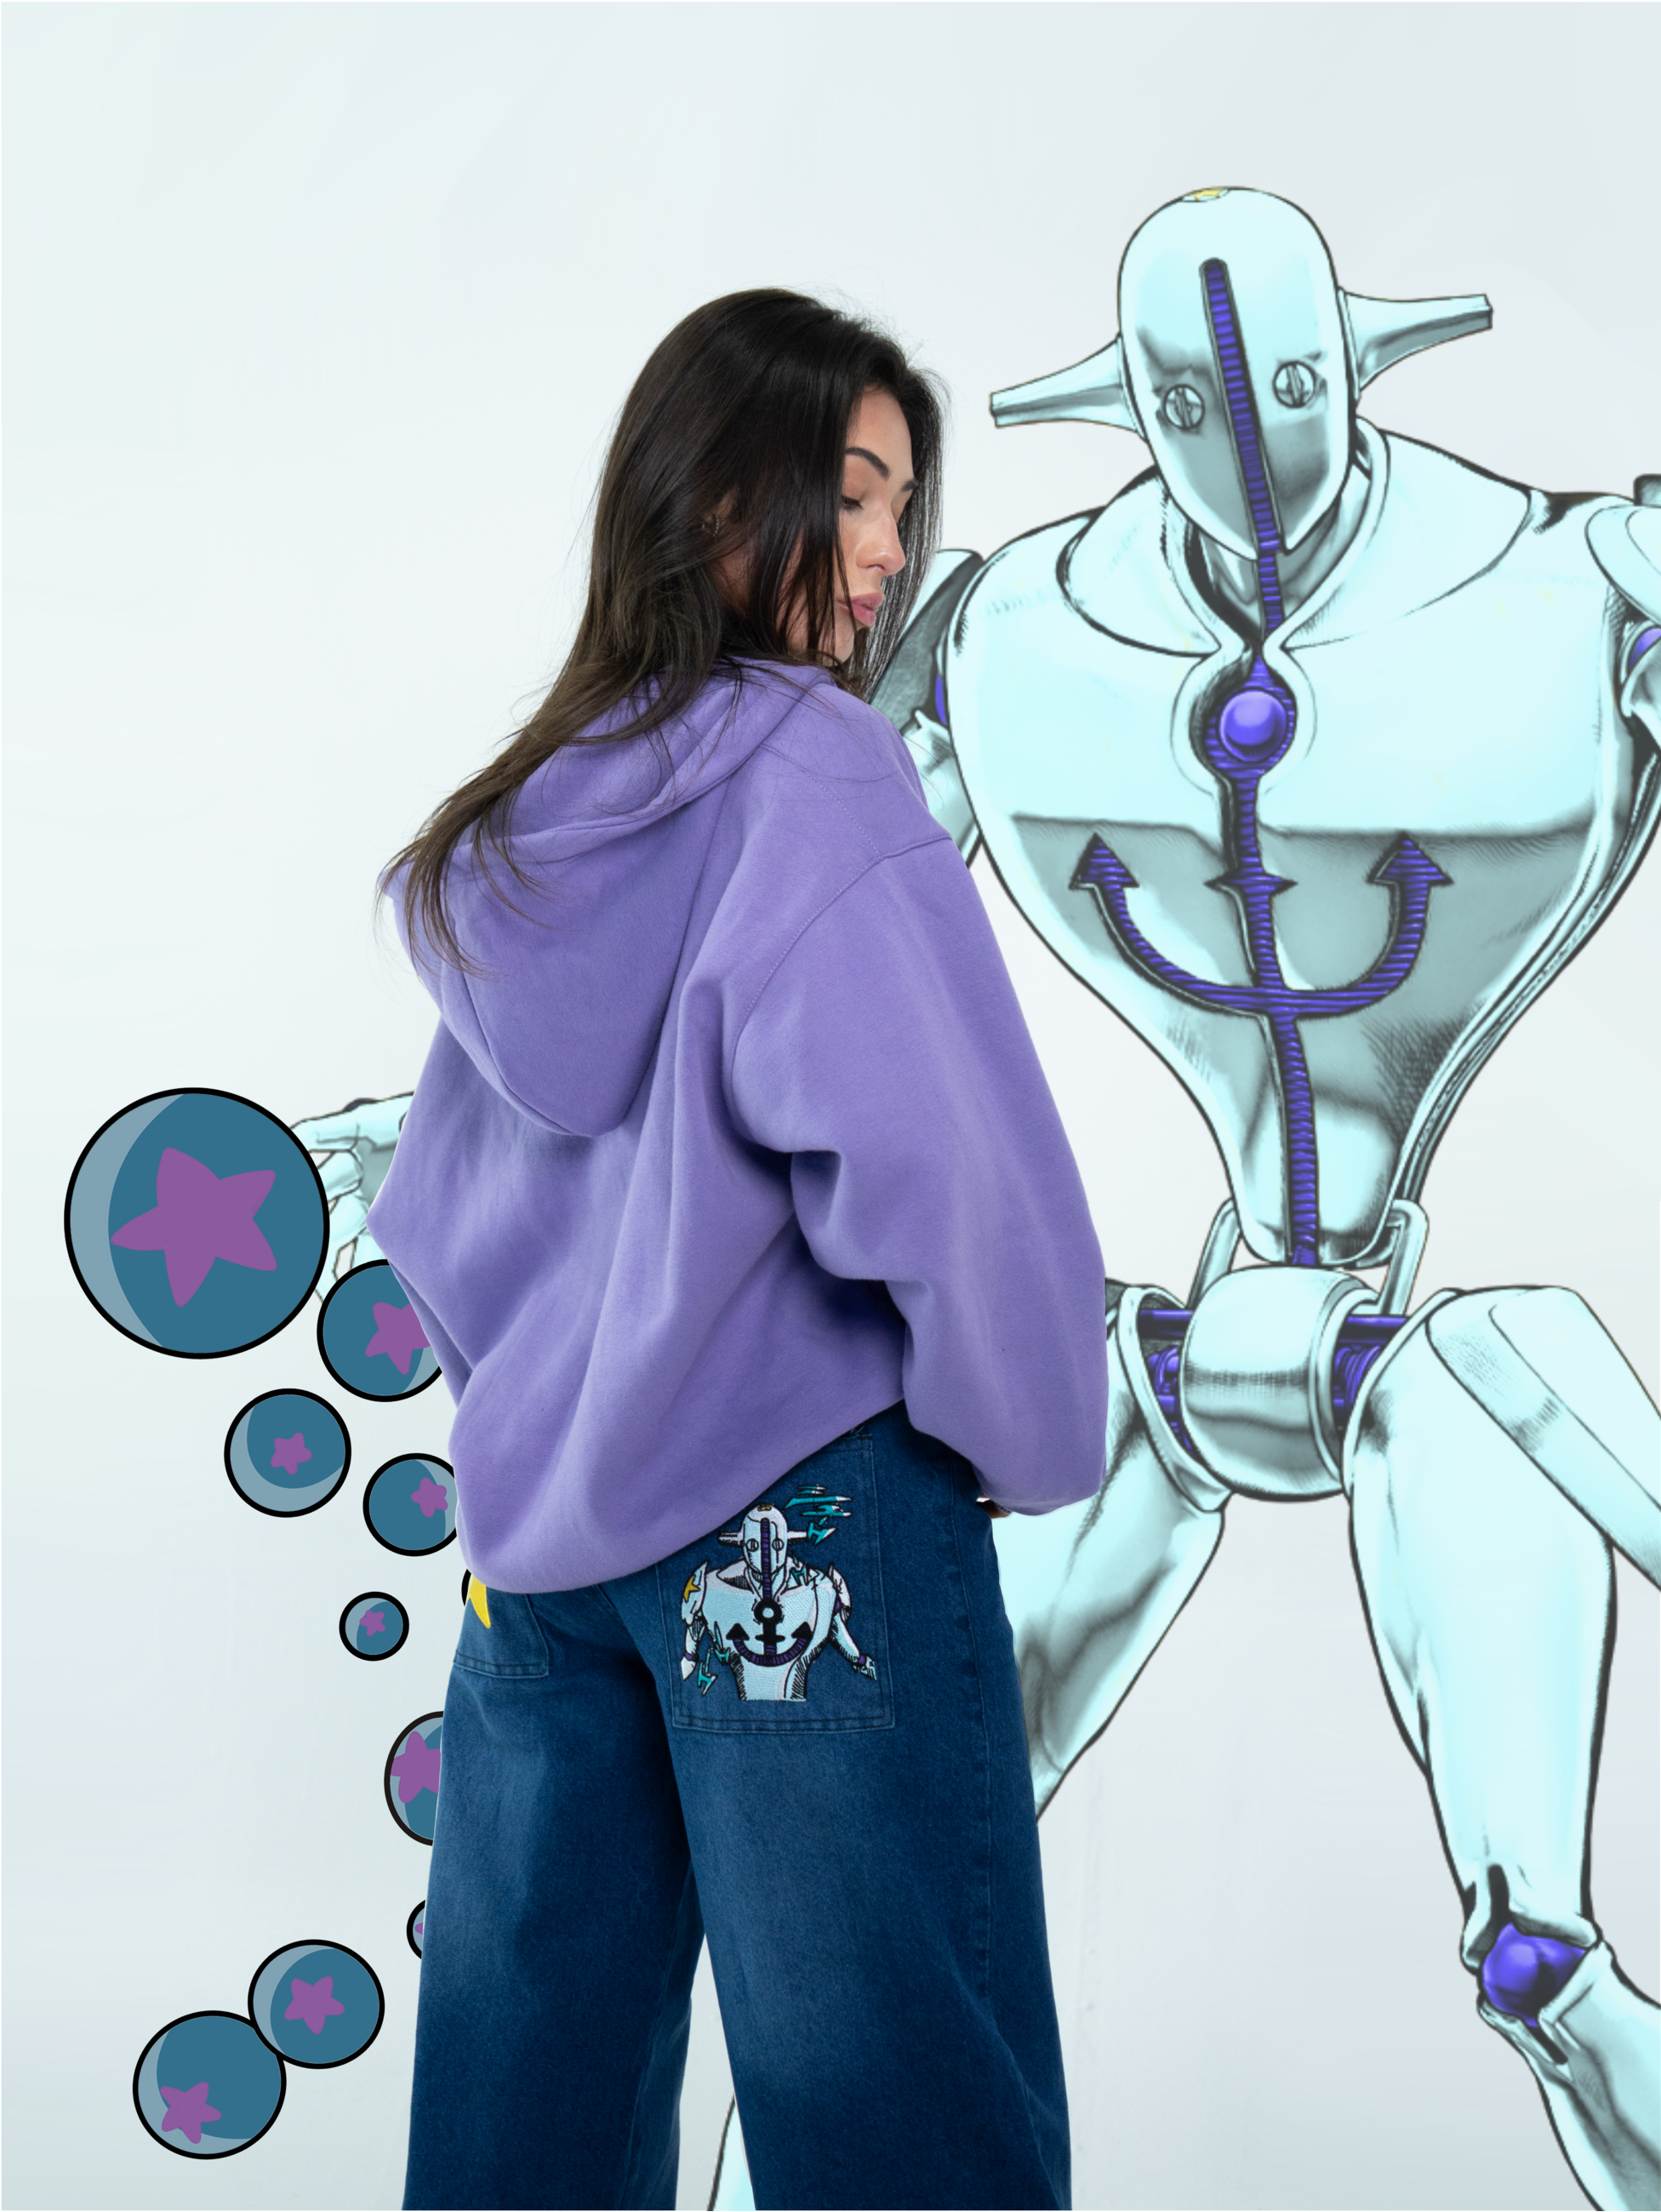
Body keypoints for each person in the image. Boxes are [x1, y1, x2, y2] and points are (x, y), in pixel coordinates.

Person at [368, 289, 1110, 2212]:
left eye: (901, 508)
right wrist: (1033, 1428)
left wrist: (547, 1410)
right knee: (891, 2119)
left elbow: (436, 1210)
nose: (885, 552)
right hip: (805, 1524)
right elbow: (939, 1158)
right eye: (850, 494)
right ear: (719, 500)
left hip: (545, 1555)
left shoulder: (541, 808)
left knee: (522, 2121)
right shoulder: (810, 768)